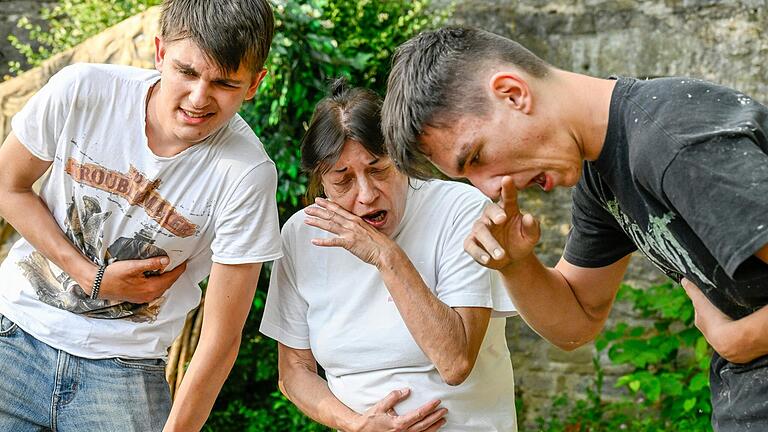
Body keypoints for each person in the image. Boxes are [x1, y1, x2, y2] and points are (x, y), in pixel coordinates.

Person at [380, 26, 768, 432]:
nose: (489, 188)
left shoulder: (675, 143)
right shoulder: (602, 171)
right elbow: (577, 320)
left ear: (513, 93)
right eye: (468, 177)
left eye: (477, 156)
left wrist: (741, 341)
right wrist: (515, 264)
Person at [0, 0, 280, 430]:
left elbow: (221, 339)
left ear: (255, 83)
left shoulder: (247, 174)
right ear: (160, 53)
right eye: (187, 72)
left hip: (126, 370)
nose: (199, 98)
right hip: (14, 333)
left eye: (225, 83)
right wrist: (88, 275)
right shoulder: (83, 89)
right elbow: (7, 185)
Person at [259, 80, 518, 431]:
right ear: (321, 182)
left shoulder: (461, 211)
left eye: (378, 169)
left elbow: (455, 362)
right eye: (343, 180)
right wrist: (356, 424)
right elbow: (293, 372)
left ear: (400, 156)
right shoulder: (300, 235)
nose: (366, 195)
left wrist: (385, 255)